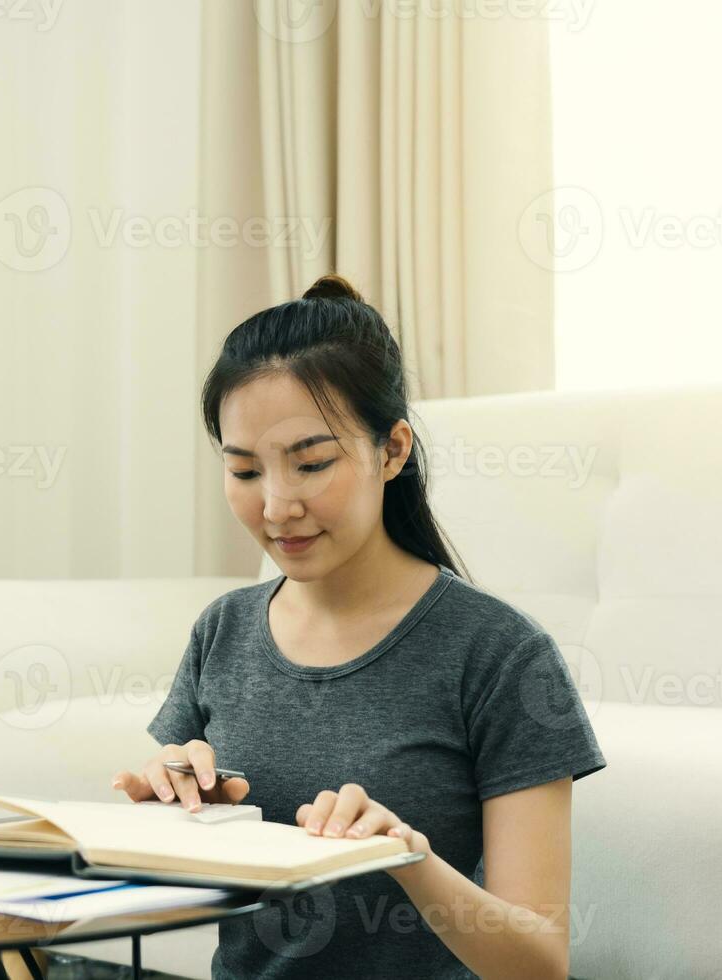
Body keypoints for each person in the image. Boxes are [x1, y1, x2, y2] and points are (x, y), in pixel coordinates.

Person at [110, 274, 606, 979]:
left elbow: (539, 962)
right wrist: (171, 809)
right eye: (245, 470)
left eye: (311, 463)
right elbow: (195, 897)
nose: (277, 506)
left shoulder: (499, 655)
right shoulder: (223, 631)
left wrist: (409, 858)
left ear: (392, 450)